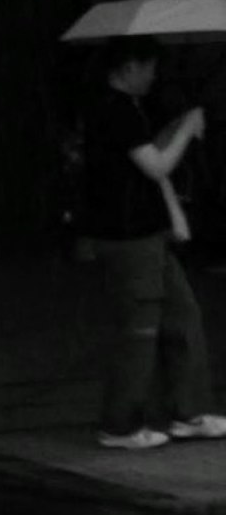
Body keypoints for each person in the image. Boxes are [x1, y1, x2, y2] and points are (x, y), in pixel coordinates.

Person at [73, 38, 218, 453]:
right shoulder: (115, 111)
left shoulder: (122, 110)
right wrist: (187, 131)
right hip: (129, 236)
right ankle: (120, 426)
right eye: (149, 67)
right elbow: (156, 166)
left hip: (143, 232)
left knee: (182, 316)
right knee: (139, 331)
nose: (153, 76)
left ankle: (188, 412)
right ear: (129, 67)